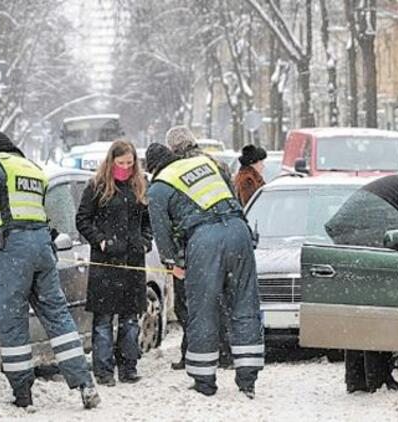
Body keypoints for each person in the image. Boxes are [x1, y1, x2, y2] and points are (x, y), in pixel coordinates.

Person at [0, 131, 100, 409]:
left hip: (14, 249)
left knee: (12, 320)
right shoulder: (32, 169)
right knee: (57, 315)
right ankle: (85, 383)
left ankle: (22, 393)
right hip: (43, 248)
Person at [145, 143, 264, 399]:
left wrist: (173, 262)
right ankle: (248, 379)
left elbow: (162, 232)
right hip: (238, 231)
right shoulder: (206, 164)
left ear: (153, 168)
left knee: (203, 309)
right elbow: (233, 196)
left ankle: (204, 380)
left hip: (204, 240)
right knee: (245, 304)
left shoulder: (159, 186)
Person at [76, 139, 152, 386]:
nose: (126, 167)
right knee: (103, 321)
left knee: (131, 320)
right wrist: (100, 240)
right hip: (106, 264)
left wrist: (145, 241)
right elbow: (83, 219)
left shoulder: (140, 185)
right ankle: (104, 371)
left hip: (133, 263)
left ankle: (128, 368)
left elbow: (148, 222)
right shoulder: (97, 186)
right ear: (111, 161)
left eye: (130, 163)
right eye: (121, 163)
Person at [164, 125, 233, 371]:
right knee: (219, 299)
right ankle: (225, 353)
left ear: (173, 148)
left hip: (190, 246)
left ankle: (192, 353)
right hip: (221, 241)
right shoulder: (217, 165)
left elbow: (173, 214)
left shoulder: (175, 171)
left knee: (188, 304)